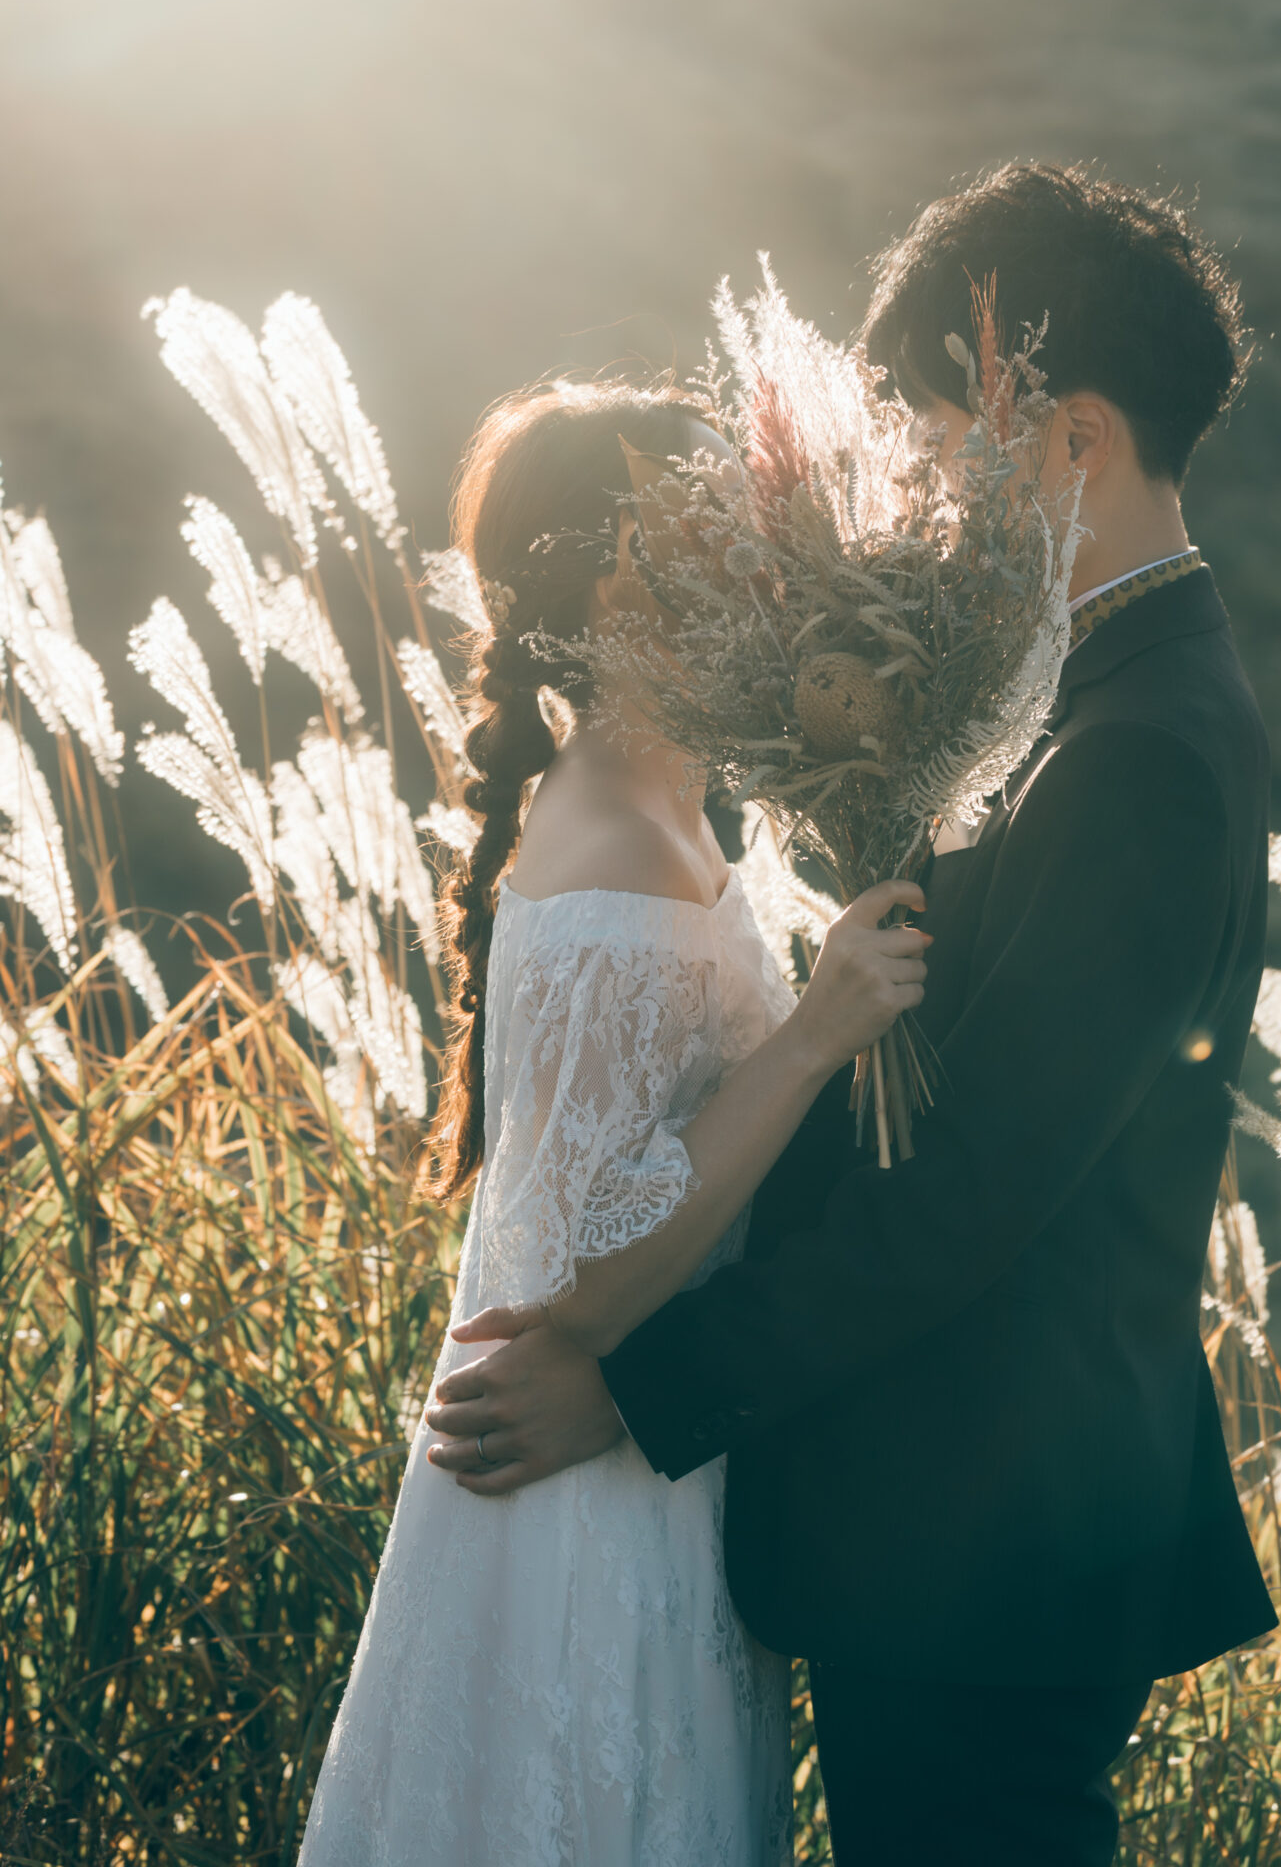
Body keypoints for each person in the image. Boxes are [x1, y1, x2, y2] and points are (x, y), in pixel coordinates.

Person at [426, 164, 1279, 1866]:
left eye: (936, 422)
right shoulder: (1060, 698)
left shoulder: (1140, 756)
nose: (910, 474)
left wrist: (641, 1393)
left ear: (1073, 438)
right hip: (941, 1519)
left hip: (1000, 1535)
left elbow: (974, 1191)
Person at [298, 380, 929, 1867]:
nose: (762, 564)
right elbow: (585, 1266)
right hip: (584, 1494)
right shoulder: (618, 850)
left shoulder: (672, 805)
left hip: (652, 1461)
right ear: (612, 577)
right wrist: (822, 1032)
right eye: (712, 527)